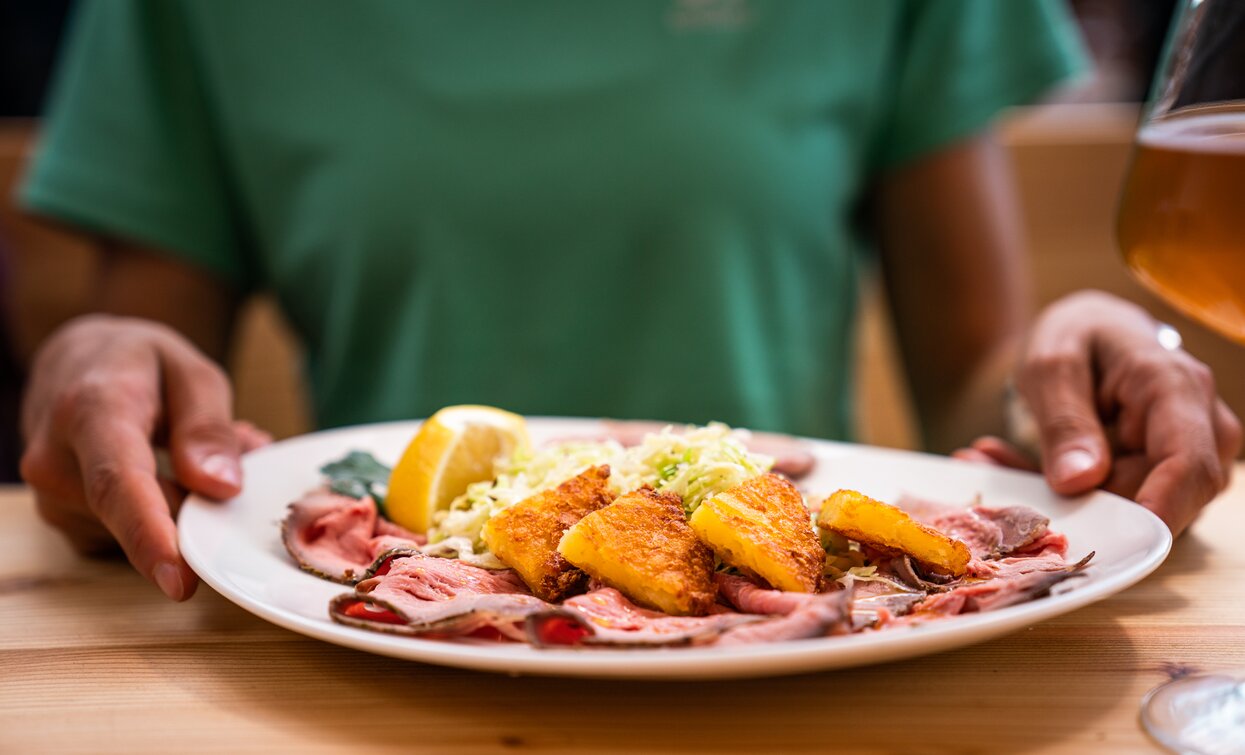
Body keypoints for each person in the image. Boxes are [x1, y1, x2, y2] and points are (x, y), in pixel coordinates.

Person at [15, 1, 1240, 602]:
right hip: (372, 660)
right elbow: (157, 361)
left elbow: (977, 372)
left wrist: (1080, 363)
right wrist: (104, 358)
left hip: (815, 680)